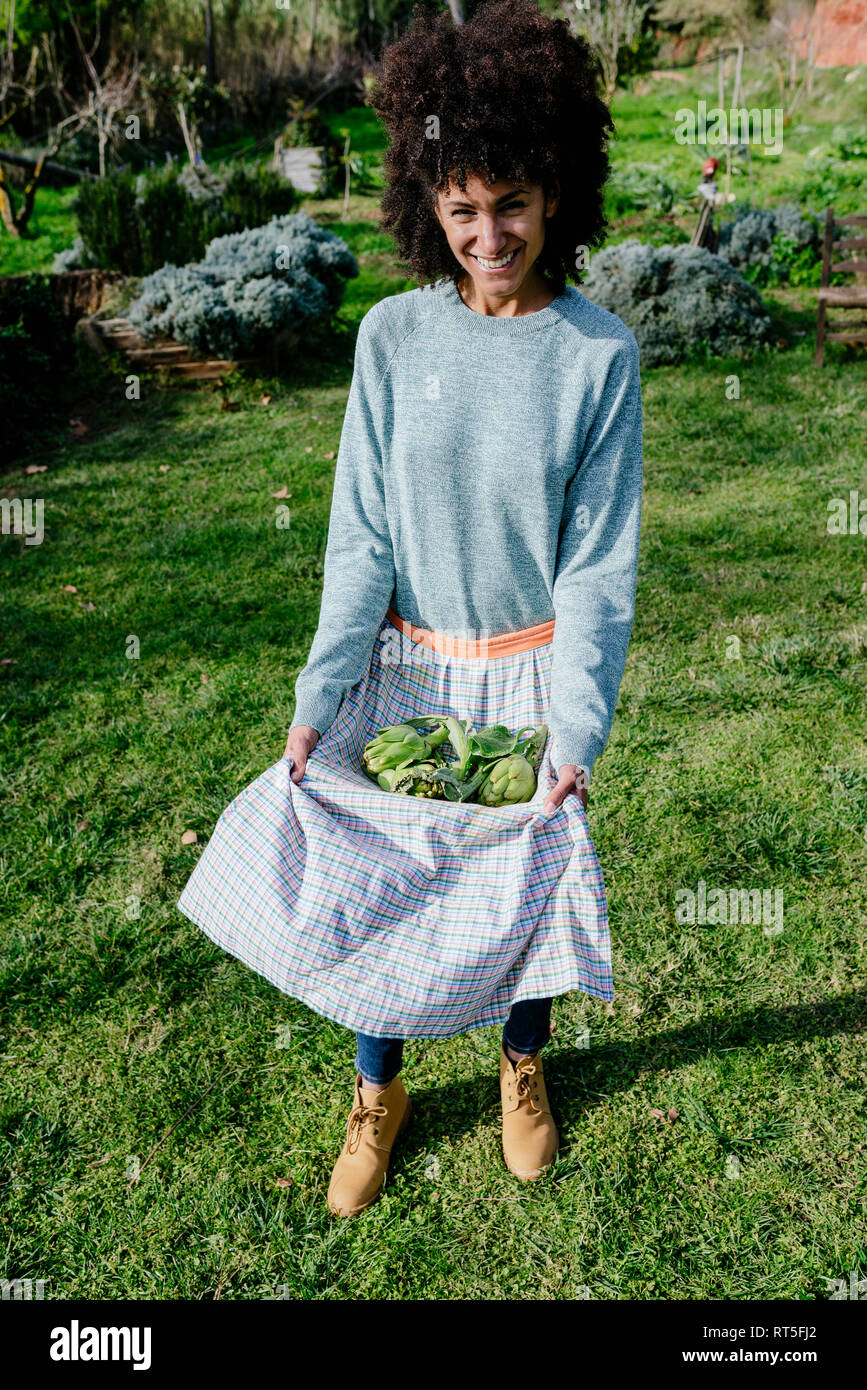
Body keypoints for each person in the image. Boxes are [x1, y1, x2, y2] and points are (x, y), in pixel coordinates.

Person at [177, 0, 643, 1218]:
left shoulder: (600, 359)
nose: (491, 234)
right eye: (462, 207)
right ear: (427, 207)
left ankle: (521, 1065)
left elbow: (598, 565)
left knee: (522, 895)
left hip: (529, 682)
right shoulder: (390, 339)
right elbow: (359, 535)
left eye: (513, 203)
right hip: (408, 678)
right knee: (381, 892)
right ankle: (376, 1091)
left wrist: (576, 729)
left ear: (557, 193)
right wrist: (319, 693)